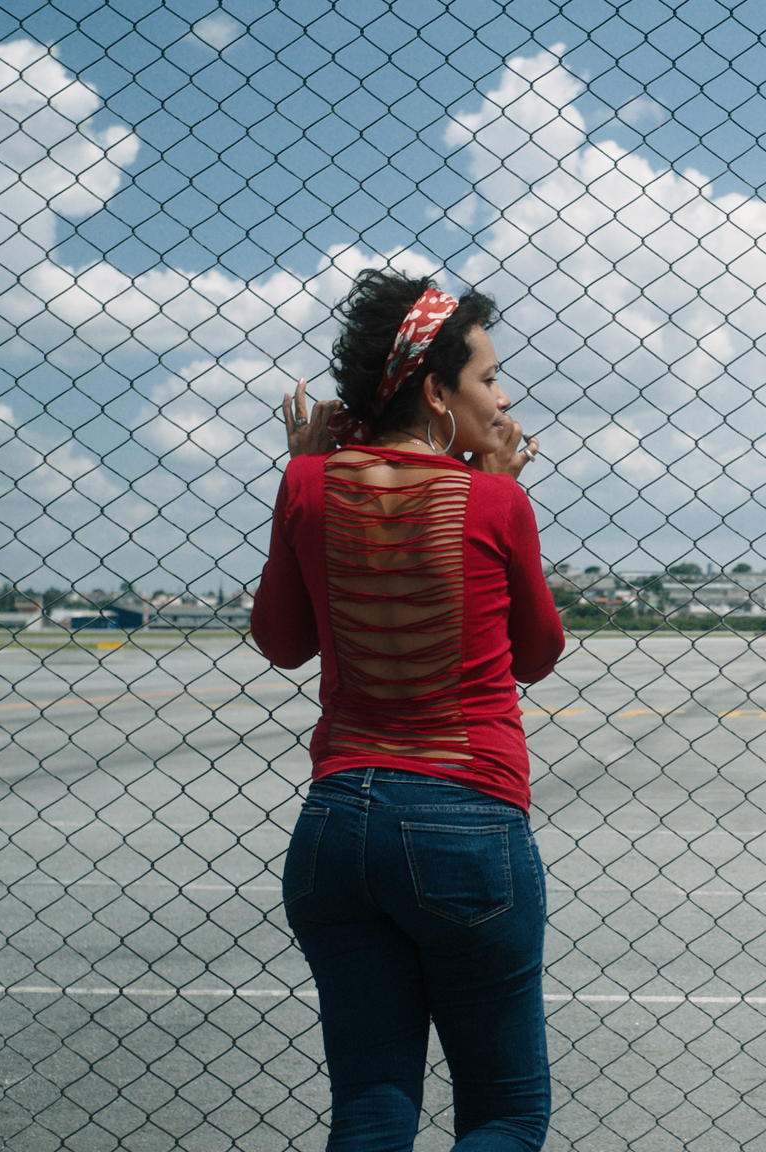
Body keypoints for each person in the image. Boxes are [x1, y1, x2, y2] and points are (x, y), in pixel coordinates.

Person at [252, 268, 564, 1151]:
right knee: (505, 1111)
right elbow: (537, 656)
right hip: (467, 818)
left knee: (371, 1104)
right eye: (488, 379)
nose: (504, 398)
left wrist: (305, 467)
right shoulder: (494, 497)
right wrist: (502, 485)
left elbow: (282, 642)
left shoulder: (309, 483)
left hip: (336, 825)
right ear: (435, 391)